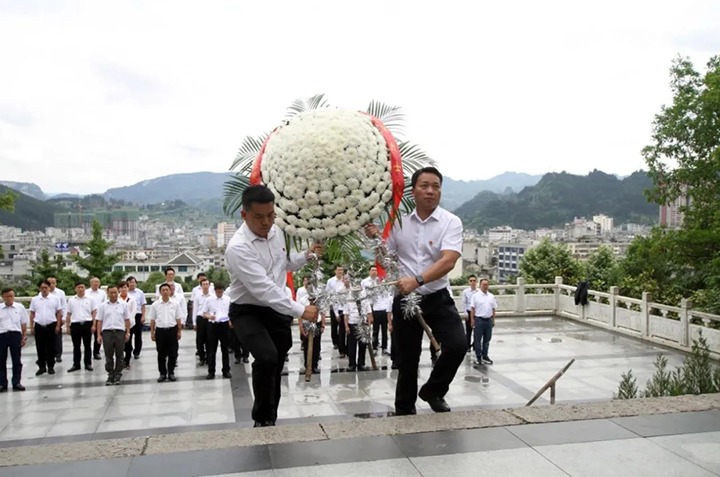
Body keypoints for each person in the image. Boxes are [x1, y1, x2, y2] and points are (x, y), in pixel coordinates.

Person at [365, 166, 466, 415]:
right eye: (425, 186)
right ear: (413, 191)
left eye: (436, 186)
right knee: (407, 359)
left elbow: (448, 261)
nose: (430, 191)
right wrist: (376, 238)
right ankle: (404, 409)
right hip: (405, 299)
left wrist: (418, 280)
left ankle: (434, 390)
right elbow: (385, 257)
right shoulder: (398, 222)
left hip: (437, 296)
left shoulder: (451, 222)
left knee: (457, 345)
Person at [225, 185, 320, 427]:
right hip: (247, 310)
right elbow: (264, 289)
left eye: (270, 215)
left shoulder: (277, 232)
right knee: (266, 357)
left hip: (275, 310)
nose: (266, 222)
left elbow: (283, 264)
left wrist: (306, 256)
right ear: (244, 215)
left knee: (276, 362)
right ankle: (262, 418)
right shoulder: (238, 248)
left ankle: (271, 415)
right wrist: (301, 311)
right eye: (259, 217)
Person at [95, 284, 131, 385]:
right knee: (108, 354)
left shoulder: (123, 304)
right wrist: (99, 334)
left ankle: (118, 373)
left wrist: (128, 332)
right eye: (111, 293)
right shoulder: (103, 306)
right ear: (108, 293)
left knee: (120, 354)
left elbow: (127, 319)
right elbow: (99, 321)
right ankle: (110, 373)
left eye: (115, 292)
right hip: (107, 332)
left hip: (119, 331)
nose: (114, 294)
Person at [149, 283, 183, 382]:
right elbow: (152, 320)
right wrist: (152, 332)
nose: (165, 292)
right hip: (160, 331)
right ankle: (162, 373)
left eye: (167, 290)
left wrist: (179, 331)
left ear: (170, 291)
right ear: (160, 292)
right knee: (161, 354)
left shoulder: (175, 304)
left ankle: (171, 372)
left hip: (172, 330)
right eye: (163, 290)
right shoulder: (155, 305)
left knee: (173, 353)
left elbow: (178, 318)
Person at [29, 280, 63, 376]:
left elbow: (59, 312)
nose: (44, 289)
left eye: (46, 287)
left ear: (49, 288)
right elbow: (32, 313)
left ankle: (51, 366)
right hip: (39, 326)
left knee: (51, 347)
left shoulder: (55, 299)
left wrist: (58, 325)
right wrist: (31, 326)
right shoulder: (35, 299)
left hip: (51, 325)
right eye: (42, 287)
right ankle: (42, 367)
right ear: (39, 288)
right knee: (40, 347)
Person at [200, 283, 232, 379]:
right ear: (215, 291)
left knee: (225, 349)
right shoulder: (209, 300)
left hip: (224, 325)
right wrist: (210, 316)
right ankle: (211, 371)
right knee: (211, 350)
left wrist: (230, 321)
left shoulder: (228, 299)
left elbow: (231, 312)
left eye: (221, 292)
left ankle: (226, 370)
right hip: (213, 325)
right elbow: (204, 313)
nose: (219, 294)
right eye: (218, 292)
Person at [0, 287, 29, 391]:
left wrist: (24, 336)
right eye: (7, 296)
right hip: (2, 335)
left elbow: (24, 323)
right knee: (1, 360)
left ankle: (16, 382)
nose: (9, 298)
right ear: (3, 297)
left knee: (16, 360)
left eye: (11, 296)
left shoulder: (19, 307)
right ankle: (2, 383)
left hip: (15, 335)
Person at [343, 276, 373, 372]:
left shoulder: (364, 298)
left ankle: (361, 364)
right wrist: (346, 326)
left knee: (362, 346)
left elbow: (369, 312)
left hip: (363, 324)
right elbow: (346, 314)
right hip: (352, 324)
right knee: (351, 346)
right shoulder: (349, 299)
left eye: (358, 287)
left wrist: (369, 323)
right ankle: (352, 364)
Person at [65, 281, 96, 372]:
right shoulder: (71, 300)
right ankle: (76, 364)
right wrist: (67, 326)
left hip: (87, 323)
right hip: (75, 325)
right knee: (76, 346)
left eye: (82, 287)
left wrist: (94, 325)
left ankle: (88, 364)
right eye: (78, 287)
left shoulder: (90, 299)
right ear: (75, 289)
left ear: (85, 288)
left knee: (87, 345)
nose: (80, 289)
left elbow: (94, 313)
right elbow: (68, 314)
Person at [361, 265, 392, 355]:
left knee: (384, 330)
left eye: (375, 270)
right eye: (372, 270)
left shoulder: (382, 284)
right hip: (374, 309)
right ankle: (374, 347)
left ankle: (384, 348)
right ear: (369, 271)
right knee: (375, 330)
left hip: (384, 310)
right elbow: (366, 298)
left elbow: (388, 297)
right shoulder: (366, 283)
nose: (374, 272)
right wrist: (369, 312)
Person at [297, 276, 323, 374]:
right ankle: (307, 366)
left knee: (316, 345)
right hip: (306, 323)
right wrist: (300, 327)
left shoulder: (318, 299)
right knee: (307, 346)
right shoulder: (302, 300)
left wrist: (323, 324)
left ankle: (315, 365)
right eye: (309, 287)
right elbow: (300, 314)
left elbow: (323, 312)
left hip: (317, 323)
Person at [470, 278, 497, 365]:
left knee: (487, 340)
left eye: (487, 285)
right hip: (479, 320)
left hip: (488, 320)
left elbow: (493, 309)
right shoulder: (475, 296)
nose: (485, 286)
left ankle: (485, 356)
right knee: (477, 340)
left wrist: (493, 319)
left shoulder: (491, 296)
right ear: (480, 285)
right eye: (483, 285)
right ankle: (478, 357)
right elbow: (472, 309)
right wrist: (472, 320)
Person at [326, 265, 346, 357]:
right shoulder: (330, 281)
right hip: (333, 306)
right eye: (339, 270)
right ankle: (335, 342)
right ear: (335, 271)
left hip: (343, 307)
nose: (340, 271)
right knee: (334, 327)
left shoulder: (345, 280)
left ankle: (342, 348)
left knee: (342, 329)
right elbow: (328, 294)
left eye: (341, 270)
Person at [126, 276, 147, 360]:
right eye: (130, 282)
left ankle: (137, 352)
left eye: (133, 282)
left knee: (138, 335)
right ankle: (128, 350)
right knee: (128, 334)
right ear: (127, 283)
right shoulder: (125, 292)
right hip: (128, 316)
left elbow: (143, 305)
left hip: (138, 315)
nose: (132, 284)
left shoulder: (140, 292)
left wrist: (143, 315)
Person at [193, 278, 213, 366]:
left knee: (210, 339)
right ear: (201, 286)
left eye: (207, 284)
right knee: (200, 339)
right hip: (200, 319)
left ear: (209, 285)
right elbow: (195, 309)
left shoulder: (212, 296)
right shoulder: (197, 297)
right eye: (203, 284)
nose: (205, 286)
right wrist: (194, 323)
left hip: (209, 319)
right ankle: (201, 357)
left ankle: (209, 357)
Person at [47, 276, 67, 363]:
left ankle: (58, 355)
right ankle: (48, 354)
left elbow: (64, 306)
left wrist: (63, 318)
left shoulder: (60, 293)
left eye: (53, 283)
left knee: (57, 337)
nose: (51, 285)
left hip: (58, 316)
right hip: (48, 316)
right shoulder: (43, 292)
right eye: (49, 283)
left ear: (56, 283)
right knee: (47, 337)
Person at [117, 282, 137, 369]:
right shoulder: (116, 299)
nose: (123, 289)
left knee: (128, 343)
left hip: (130, 325)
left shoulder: (132, 299)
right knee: (119, 344)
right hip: (119, 325)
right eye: (121, 287)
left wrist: (128, 322)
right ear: (119, 289)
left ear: (128, 288)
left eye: (125, 287)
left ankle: (127, 360)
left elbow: (133, 312)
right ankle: (120, 361)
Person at [87, 277, 106, 360]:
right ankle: (88, 352)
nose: (96, 284)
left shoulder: (102, 293)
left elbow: (105, 304)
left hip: (99, 317)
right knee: (87, 336)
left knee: (98, 335)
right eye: (94, 282)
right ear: (91, 283)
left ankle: (96, 352)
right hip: (88, 316)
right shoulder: (86, 292)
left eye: (98, 282)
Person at [462, 275, 479, 353]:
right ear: (468, 282)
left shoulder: (479, 291)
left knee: (477, 331)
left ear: (476, 282)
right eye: (471, 281)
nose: (472, 282)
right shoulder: (466, 292)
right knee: (468, 331)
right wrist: (465, 313)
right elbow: (464, 303)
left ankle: (475, 345)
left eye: (474, 280)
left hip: (477, 313)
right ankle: (467, 346)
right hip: (469, 312)